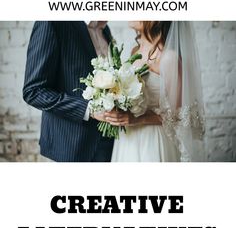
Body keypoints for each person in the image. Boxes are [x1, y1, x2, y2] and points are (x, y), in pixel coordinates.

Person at [106, 21, 205, 162]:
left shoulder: (169, 58)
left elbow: (178, 116)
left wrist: (138, 119)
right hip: (128, 139)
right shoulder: (135, 51)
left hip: (152, 140)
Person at [23, 21, 114, 162]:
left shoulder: (105, 29)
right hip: (70, 146)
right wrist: (89, 110)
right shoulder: (52, 23)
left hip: (110, 143)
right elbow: (33, 91)